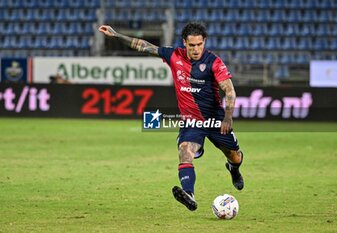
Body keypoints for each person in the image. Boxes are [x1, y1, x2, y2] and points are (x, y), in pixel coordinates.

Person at [98, 22, 244, 211]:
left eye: (199, 44)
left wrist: (228, 116)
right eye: (192, 45)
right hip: (191, 122)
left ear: (204, 42)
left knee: (234, 156)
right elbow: (144, 46)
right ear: (185, 43)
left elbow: (229, 90)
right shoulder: (174, 55)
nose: (196, 49)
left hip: (216, 119)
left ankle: (234, 169)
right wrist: (117, 35)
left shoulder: (213, 62)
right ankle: (189, 195)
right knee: (185, 151)